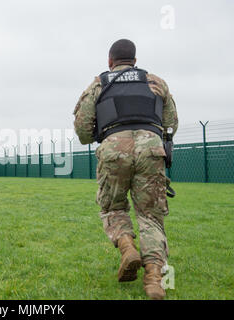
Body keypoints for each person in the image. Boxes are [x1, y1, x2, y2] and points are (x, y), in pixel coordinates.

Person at [73, 39, 178, 300]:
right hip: (151, 148)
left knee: (113, 207)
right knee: (151, 216)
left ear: (110, 61)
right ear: (135, 59)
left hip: (114, 149)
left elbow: (83, 131)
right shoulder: (155, 82)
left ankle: (128, 248)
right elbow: (171, 123)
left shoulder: (100, 83)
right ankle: (154, 279)